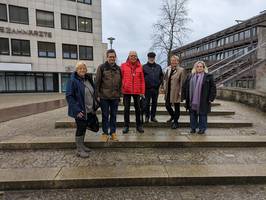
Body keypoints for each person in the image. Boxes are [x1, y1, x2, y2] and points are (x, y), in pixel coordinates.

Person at [66, 61, 96, 158]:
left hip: (89, 109)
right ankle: (79, 150)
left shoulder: (88, 79)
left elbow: (92, 91)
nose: (82, 70)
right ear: (76, 70)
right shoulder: (73, 80)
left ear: (86, 70)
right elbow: (69, 96)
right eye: (80, 68)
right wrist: (77, 110)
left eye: (84, 68)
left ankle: (82, 145)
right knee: (80, 128)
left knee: (84, 128)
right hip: (80, 110)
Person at [182, 61, 217, 134]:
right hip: (192, 99)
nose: (199, 68)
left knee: (203, 114)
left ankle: (202, 128)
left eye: (201, 66)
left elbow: (213, 88)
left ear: (204, 68)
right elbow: (185, 87)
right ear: (195, 67)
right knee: (192, 114)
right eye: (197, 66)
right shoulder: (190, 76)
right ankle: (193, 128)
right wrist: (184, 96)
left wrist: (211, 98)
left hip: (204, 99)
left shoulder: (208, 76)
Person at [95, 49, 122, 142]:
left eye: (113, 57)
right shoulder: (101, 67)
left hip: (115, 97)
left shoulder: (118, 69)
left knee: (114, 116)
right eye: (110, 57)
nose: (112, 58)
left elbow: (120, 83)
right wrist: (97, 95)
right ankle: (105, 133)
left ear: (115, 57)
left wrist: (120, 95)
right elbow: (97, 82)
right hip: (104, 97)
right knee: (105, 116)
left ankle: (113, 133)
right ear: (107, 57)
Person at [121, 51, 145, 134]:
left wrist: (142, 91)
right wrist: (122, 87)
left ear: (137, 57)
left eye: (135, 56)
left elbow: (142, 80)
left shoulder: (140, 66)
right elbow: (121, 78)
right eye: (131, 56)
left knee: (138, 109)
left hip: (137, 91)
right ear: (128, 56)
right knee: (126, 109)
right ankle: (126, 126)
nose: (133, 57)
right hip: (126, 91)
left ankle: (139, 125)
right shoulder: (123, 65)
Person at [163, 55, 186, 129]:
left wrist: (181, 92)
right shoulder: (168, 69)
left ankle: (176, 122)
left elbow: (182, 82)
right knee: (167, 106)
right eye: (172, 60)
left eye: (175, 60)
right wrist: (164, 87)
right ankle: (173, 116)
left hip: (176, 92)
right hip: (168, 91)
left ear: (178, 61)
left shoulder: (181, 70)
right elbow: (165, 79)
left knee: (177, 107)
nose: (173, 62)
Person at [143, 52, 163, 123]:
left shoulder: (158, 67)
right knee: (146, 103)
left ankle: (153, 117)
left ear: (154, 58)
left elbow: (161, 76)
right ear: (148, 58)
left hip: (155, 88)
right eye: (150, 57)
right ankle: (147, 116)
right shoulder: (144, 67)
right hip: (147, 89)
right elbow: (141, 78)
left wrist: (159, 83)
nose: (151, 59)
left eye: (153, 57)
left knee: (154, 103)